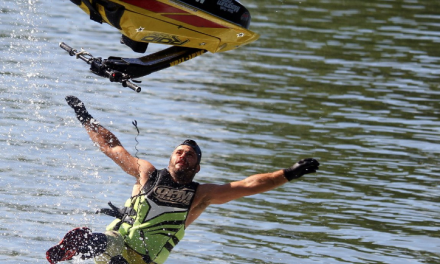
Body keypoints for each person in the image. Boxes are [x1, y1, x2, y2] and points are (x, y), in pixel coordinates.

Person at [46, 96, 320, 264]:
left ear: (197, 167)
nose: (183, 157)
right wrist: (85, 117)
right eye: (179, 152)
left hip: (144, 261)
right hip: (116, 241)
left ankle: (90, 251)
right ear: (170, 158)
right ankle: (78, 246)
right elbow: (112, 147)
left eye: (190, 156)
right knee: (105, 244)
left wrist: (289, 173)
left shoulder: (201, 195)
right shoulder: (147, 173)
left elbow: (247, 186)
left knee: (120, 261)